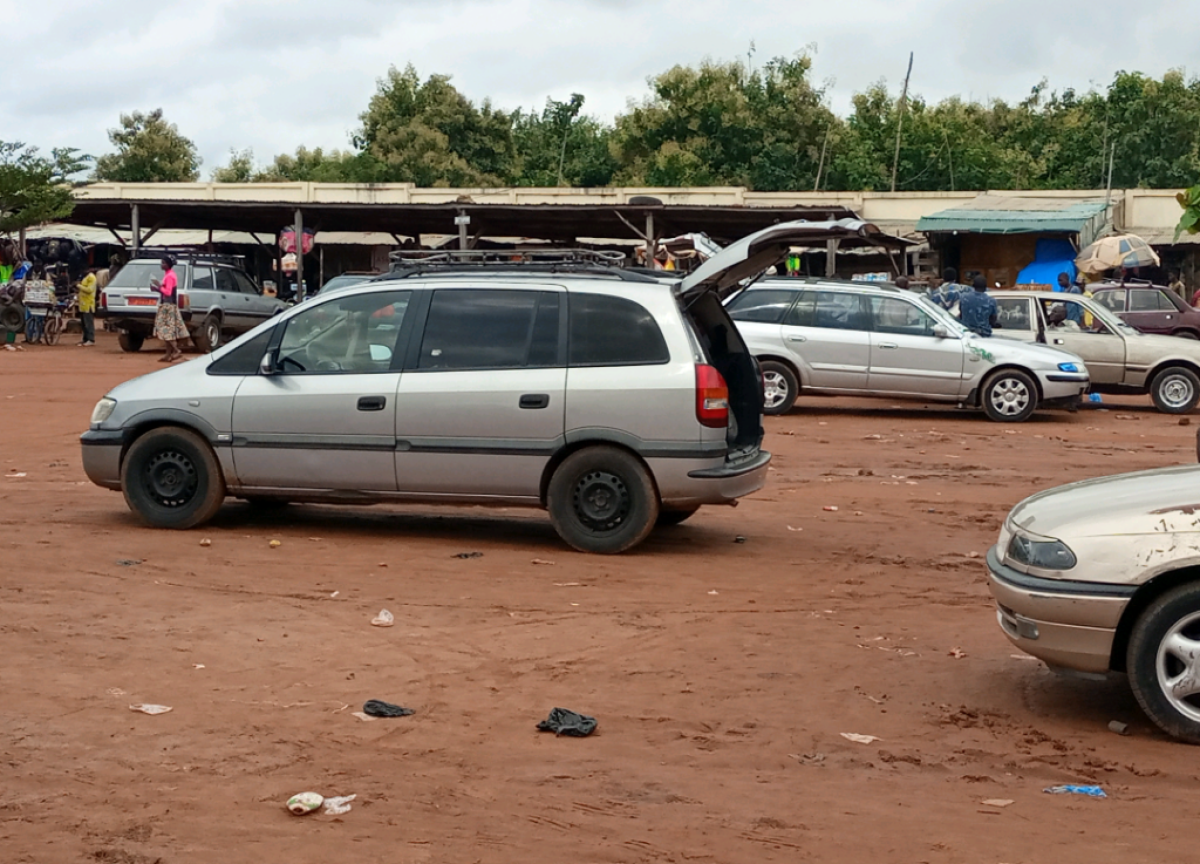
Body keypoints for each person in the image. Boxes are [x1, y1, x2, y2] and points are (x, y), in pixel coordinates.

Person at [151, 256, 186, 362]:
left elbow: (168, 292)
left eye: (163, 263)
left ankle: (176, 351)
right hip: (167, 304)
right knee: (167, 330)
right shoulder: (168, 274)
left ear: (168, 264)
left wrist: (158, 287)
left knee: (165, 329)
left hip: (168, 306)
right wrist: (157, 289)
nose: (161, 265)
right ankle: (168, 354)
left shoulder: (170, 276)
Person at [76, 268, 97, 346]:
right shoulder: (85, 277)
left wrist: (79, 286)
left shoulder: (92, 277)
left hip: (89, 304)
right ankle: (85, 339)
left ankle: (91, 339)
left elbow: (89, 290)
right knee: (84, 323)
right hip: (83, 304)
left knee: (89, 323)